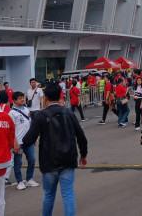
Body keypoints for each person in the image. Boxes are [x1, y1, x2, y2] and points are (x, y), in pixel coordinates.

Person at [23, 81, 88, 216]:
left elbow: (28, 139)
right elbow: (81, 136)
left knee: (49, 195)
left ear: (45, 98)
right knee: (68, 194)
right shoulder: (69, 113)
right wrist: (83, 154)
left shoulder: (41, 115)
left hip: (49, 161)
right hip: (68, 159)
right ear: (60, 96)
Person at [9, 92, 38, 191]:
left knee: (32, 160)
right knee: (18, 162)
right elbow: (11, 129)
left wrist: (33, 138)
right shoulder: (12, 113)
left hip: (28, 141)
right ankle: (20, 181)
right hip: (18, 142)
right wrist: (15, 142)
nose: (22, 99)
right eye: (20, 98)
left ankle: (29, 179)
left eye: (23, 98)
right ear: (15, 101)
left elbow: (30, 124)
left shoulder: (26, 109)